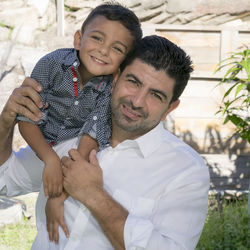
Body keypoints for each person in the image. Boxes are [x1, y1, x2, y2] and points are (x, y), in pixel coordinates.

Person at [0, 35, 210, 250]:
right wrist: (5, 123)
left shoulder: (186, 172)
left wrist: (93, 194)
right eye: (133, 82)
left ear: (171, 108)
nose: (137, 101)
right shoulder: (70, 129)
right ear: (116, 78)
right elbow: (4, 180)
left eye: (155, 95)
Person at [17, 2, 142, 198]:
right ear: (78, 39)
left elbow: (91, 136)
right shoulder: (51, 64)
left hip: (76, 153)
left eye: (117, 49)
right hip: (37, 145)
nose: (103, 50)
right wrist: (50, 159)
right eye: (97, 38)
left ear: (124, 63)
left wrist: (66, 172)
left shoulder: (112, 90)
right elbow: (25, 119)